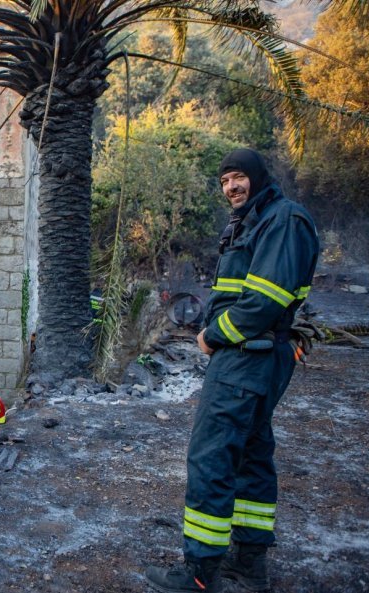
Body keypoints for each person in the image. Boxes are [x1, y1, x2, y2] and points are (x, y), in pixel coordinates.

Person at [145, 148, 319, 593]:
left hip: (246, 355)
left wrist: (212, 335)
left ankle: (200, 571)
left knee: (212, 456)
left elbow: (265, 300)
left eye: (238, 177)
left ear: (258, 178)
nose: (231, 188)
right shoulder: (258, 220)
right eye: (225, 181)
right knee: (250, 456)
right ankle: (249, 564)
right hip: (256, 356)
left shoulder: (282, 219)